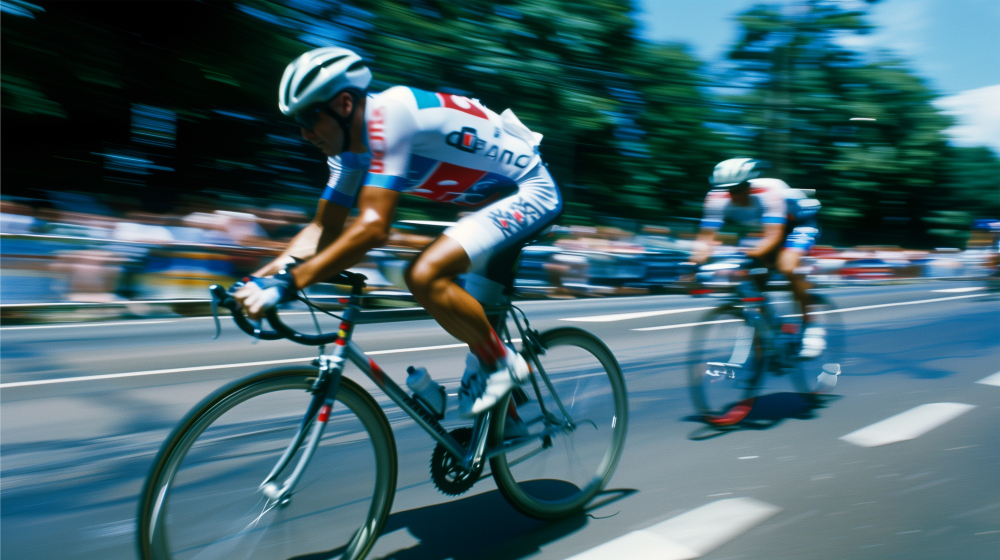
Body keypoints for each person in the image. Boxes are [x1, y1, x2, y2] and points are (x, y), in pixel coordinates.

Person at [234, 47, 562, 418]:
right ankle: (510, 421)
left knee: (423, 274)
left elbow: (374, 228)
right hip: (490, 204)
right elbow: (323, 228)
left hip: (529, 190)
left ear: (344, 104)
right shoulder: (346, 153)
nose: (305, 134)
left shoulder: (390, 115)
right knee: (474, 340)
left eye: (309, 117)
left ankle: (504, 362)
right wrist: (254, 280)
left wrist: (289, 283)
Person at [691, 158, 824, 357]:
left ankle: (811, 326)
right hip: (771, 229)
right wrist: (693, 264)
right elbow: (705, 238)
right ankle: (764, 339)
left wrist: (744, 256)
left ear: (749, 184)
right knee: (752, 281)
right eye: (728, 190)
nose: (732, 195)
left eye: (737, 189)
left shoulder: (769, 192)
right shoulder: (716, 197)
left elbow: (774, 236)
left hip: (799, 223)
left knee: (787, 266)